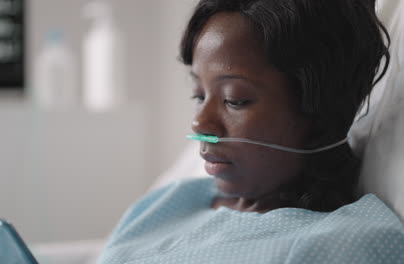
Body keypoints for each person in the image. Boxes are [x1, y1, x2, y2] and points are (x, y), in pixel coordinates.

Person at [97, 0, 403, 263]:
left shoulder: (343, 244)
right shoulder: (166, 202)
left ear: (320, 112)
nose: (200, 124)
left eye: (235, 100)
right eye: (199, 95)